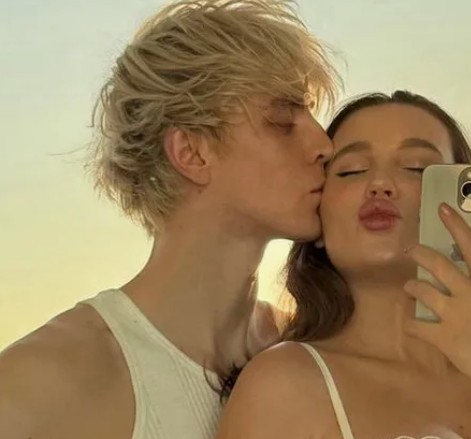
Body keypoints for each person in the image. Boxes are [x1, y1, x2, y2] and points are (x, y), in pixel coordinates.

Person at [0, 1, 340, 438]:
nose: (324, 145)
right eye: (283, 121)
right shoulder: (38, 387)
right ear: (191, 153)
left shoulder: (316, 352)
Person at [216, 91, 471, 439]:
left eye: (417, 168)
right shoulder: (284, 385)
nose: (380, 184)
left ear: (468, 211)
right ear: (319, 222)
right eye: (351, 170)